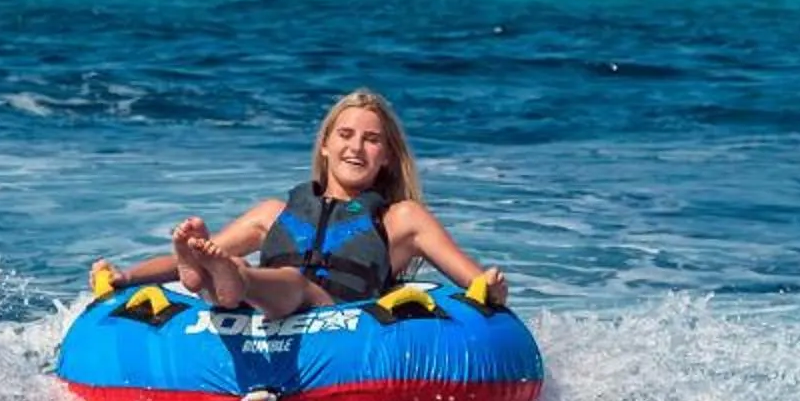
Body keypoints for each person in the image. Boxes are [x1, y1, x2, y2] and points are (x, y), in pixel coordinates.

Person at [90, 89, 502, 318]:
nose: (356, 147)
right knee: (208, 263)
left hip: (337, 317)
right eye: (344, 135)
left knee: (295, 284)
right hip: (261, 311)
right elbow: (191, 256)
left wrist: (493, 287)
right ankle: (220, 279)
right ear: (325, 145)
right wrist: (125, 277)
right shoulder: (274, 213)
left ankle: (232, 278)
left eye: (372, 140)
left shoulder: (402, 219)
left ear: (388, 156)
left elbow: (476, 283)